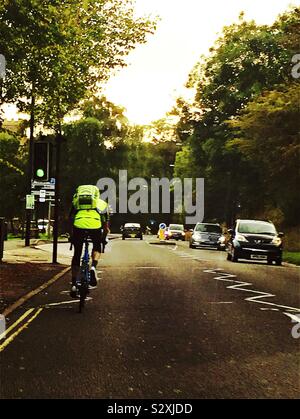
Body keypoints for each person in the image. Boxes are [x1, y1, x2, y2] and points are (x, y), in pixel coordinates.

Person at [69, 185, 109, 297]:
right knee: (97, 247)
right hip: (95, 226)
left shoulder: (76, 201)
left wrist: (72, 236)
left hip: (79, 226)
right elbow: (106, 227)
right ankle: (93, 267)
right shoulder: (102, 204)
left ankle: (73, 284)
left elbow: (70, 220)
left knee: (77, 253)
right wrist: (103, 238)